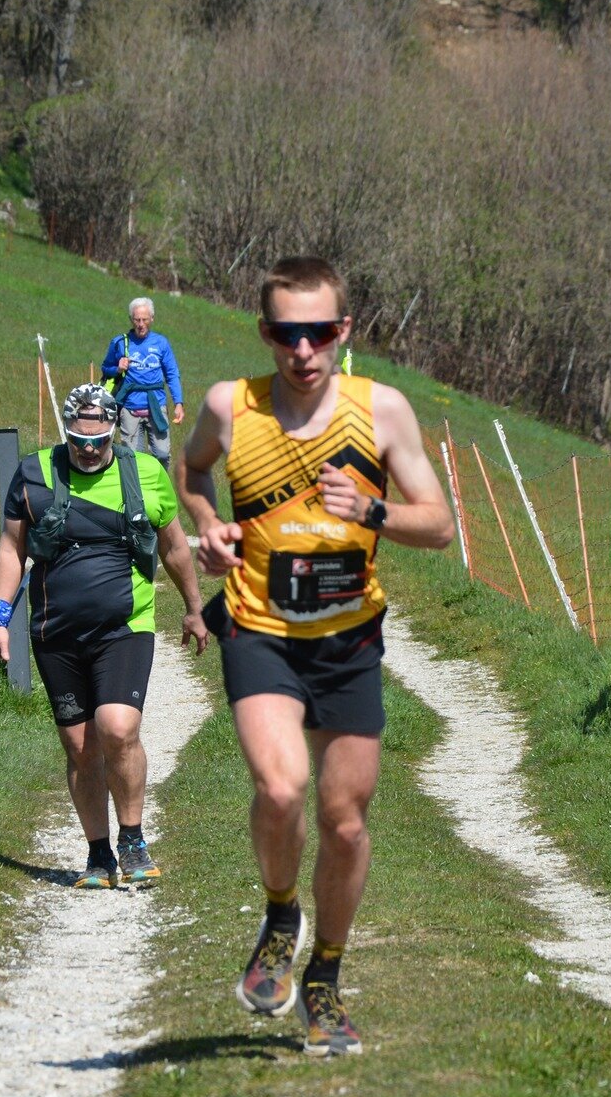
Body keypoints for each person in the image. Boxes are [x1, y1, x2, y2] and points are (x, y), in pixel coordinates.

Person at [176, 256, 454, 1056]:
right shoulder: (231, 406)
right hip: (260, 627)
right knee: (280, 782)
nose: (304, 349)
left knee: (344, 819)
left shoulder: (383, 412)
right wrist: (210, 524)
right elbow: (191, 471)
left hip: (348, 639)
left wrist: (370, 507)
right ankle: (278, 913)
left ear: (345, 330)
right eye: (288, 333)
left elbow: (438, 525)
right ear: (265, 333)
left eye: (320, 331)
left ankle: (325, 975)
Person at [0, 383, 208, 890]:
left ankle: (133, 838)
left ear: (112, 433)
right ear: (66, 434)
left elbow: (173, 549)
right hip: (53, 631)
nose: (88, 450)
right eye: (79, 441)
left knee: (118, 727)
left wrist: (194, 609)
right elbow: (12, 549)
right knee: (81, 748)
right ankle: (99, 855)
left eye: (99, 440)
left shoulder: (146, 473)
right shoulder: (34, 473)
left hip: (124, 627)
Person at [101, 297, 185, 466]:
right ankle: (137, 491)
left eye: (144, 319)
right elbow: (105, 368)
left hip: (156, 405)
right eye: (137, 320)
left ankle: (158, 488)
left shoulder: (161, 343)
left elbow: (172, 374)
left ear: (151, 319)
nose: (140, 324)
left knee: (162, 454)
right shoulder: (119, 343)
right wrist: (117, 368)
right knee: (133, 458)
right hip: (130, 407)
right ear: (131, 319)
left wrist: (178, 403)